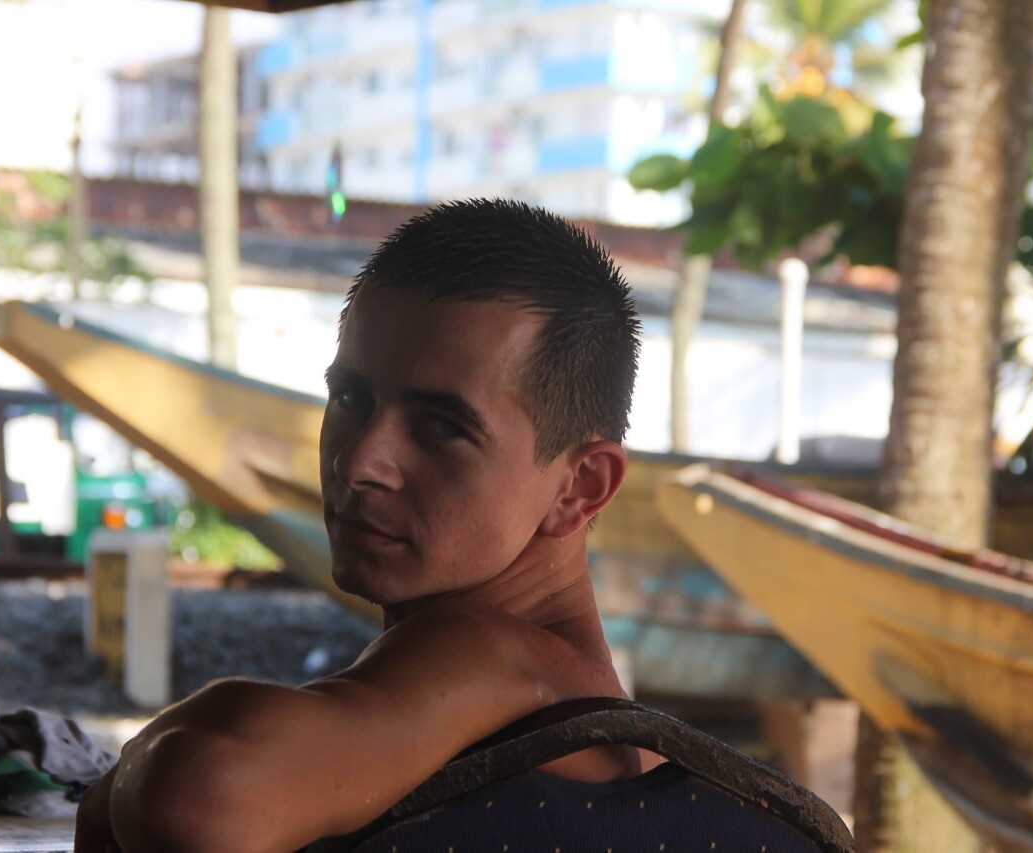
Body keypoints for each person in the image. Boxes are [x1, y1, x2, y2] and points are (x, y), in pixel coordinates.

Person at [75, 200, 822, 853]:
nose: (361, 462)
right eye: (352, 399)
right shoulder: (612, 743)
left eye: (441, 427)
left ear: (580, 486)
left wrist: (129, 769)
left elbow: (200, 795)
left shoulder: (500, 661)